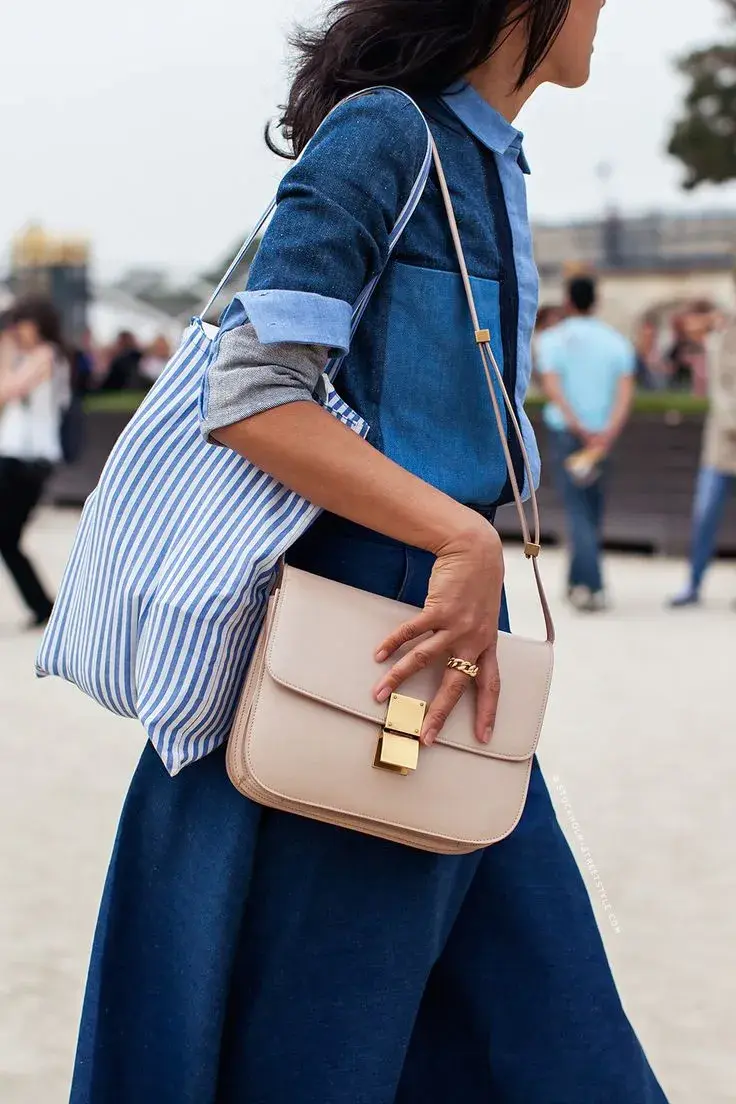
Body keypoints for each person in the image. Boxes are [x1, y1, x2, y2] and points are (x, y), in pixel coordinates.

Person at [70, 3, 670, 1102]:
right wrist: (455, 530)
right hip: (355, 658)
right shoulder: (387, 134)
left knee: (554, 1039)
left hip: (436, 655)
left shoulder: (492, 159)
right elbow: (251, 394)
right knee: (342, 1042)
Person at [537, 275, 635, 611]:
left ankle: (590, 586)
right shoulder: (616, 342)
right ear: (596, 301)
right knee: (592, 508)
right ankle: (579, 580)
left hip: (569, 436)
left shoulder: (552, 340)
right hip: (603, 439)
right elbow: (625, 393)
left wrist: (578, 427)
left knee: (577, 509)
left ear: (568, 301)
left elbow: (552, 387)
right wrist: (607, 431)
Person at [0, 297, 70, 627]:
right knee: (7, 537)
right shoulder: (29, 356)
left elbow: (7, 390)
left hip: (26, 460)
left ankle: (44, 606)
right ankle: (42, 605)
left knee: (6, 536)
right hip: (14, 456)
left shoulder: (46, 354)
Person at [669, 312, 736, 607]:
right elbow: (718, 394)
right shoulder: (719, 340)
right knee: (705, 515)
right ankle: (694, 584)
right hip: (721, 447)